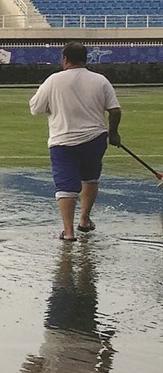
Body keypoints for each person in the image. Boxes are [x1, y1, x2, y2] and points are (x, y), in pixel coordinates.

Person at [29, 42, 121, 242]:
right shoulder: (100, 80)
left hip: (63, 140)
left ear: (64, 59)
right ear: (84, 59)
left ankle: (68, 231)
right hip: (95, 139)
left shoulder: (53, 80)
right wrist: (114, 134)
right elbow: (115, 110)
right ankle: (85, 219)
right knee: (90, 178)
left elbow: (35, 108)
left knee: (65, 185)